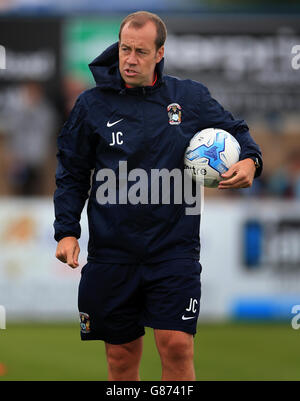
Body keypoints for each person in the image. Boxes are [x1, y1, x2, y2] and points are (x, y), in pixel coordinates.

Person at [54, 11, 262, 381]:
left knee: (177, 345)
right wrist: (66, 231)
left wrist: (251, 160)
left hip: (173, 251)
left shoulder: (190, 99)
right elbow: (71, 172)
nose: (130, 59)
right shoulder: (91, 106)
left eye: (140, 51)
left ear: (159, 54)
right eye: (125, 49)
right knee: (120, 358)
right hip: (112, 254)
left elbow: (236, 130)